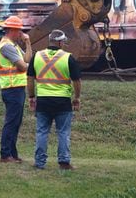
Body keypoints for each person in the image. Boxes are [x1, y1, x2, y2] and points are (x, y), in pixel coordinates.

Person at [27, 29, 82, 170]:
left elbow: (30, 79)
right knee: (63, 132)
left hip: (43, 101)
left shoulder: (37, 56)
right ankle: (64, 162)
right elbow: (77, 81)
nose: (64, 44)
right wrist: (77, 98)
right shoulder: (68, 58)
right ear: (59, 42)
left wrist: (32, 97)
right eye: (63, 41)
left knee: (42, 132)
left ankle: (39, 163)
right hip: (62, 102)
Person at [0, 15, 32, 163]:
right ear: (12, 30)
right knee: (11, 122)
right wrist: (38, 69)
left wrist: (28, 43)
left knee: (15, 122)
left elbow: (27, 59)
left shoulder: (14, 45)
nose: (21, 34)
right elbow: (23, 66)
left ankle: (12, 153)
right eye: (19, 31)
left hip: (16, 88)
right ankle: (5, 155)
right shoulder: (7, 46)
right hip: (12, 89)